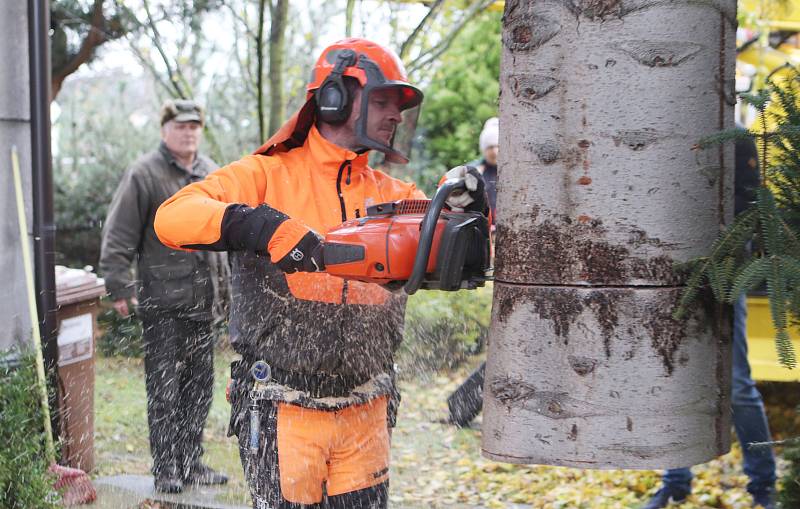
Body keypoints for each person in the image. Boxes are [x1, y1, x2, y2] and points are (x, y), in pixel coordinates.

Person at [154, 38, 486, 509]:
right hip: (283, 404)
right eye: (385, 101)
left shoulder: (394, 192)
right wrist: (262, 225)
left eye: (400, 106)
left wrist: (466, 216)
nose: (395, 115)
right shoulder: (266, 175)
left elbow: (451, 250)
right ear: (337, 98)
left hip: (367, 404)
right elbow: (173, 216)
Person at [99, 99, 229, 494]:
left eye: (194, 126)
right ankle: (167, 468)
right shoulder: (144, 174)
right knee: (165, 390)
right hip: (163, 303)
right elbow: (119, 234)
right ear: (164, 130)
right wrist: (119, 285)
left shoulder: (210, 173)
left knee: (199, 388)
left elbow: (225, 231)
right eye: (180, 126)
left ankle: (191, 462)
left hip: (203, 303)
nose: (188, 132)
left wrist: (230, 290)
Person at [641, 136, 776, 509]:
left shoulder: (736, 137)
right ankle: (676, 481)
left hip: (726, 277)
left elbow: (748, 207)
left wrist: (721, 254)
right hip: (675, 279)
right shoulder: (669, 133)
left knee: (737, 386)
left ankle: (764, 486)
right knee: (673, 380)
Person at [469, 117, 499, 219]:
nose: (494, 151)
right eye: (490, 147)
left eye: (498, 146)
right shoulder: (474, 171)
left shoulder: (515, 172)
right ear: (484, 149)